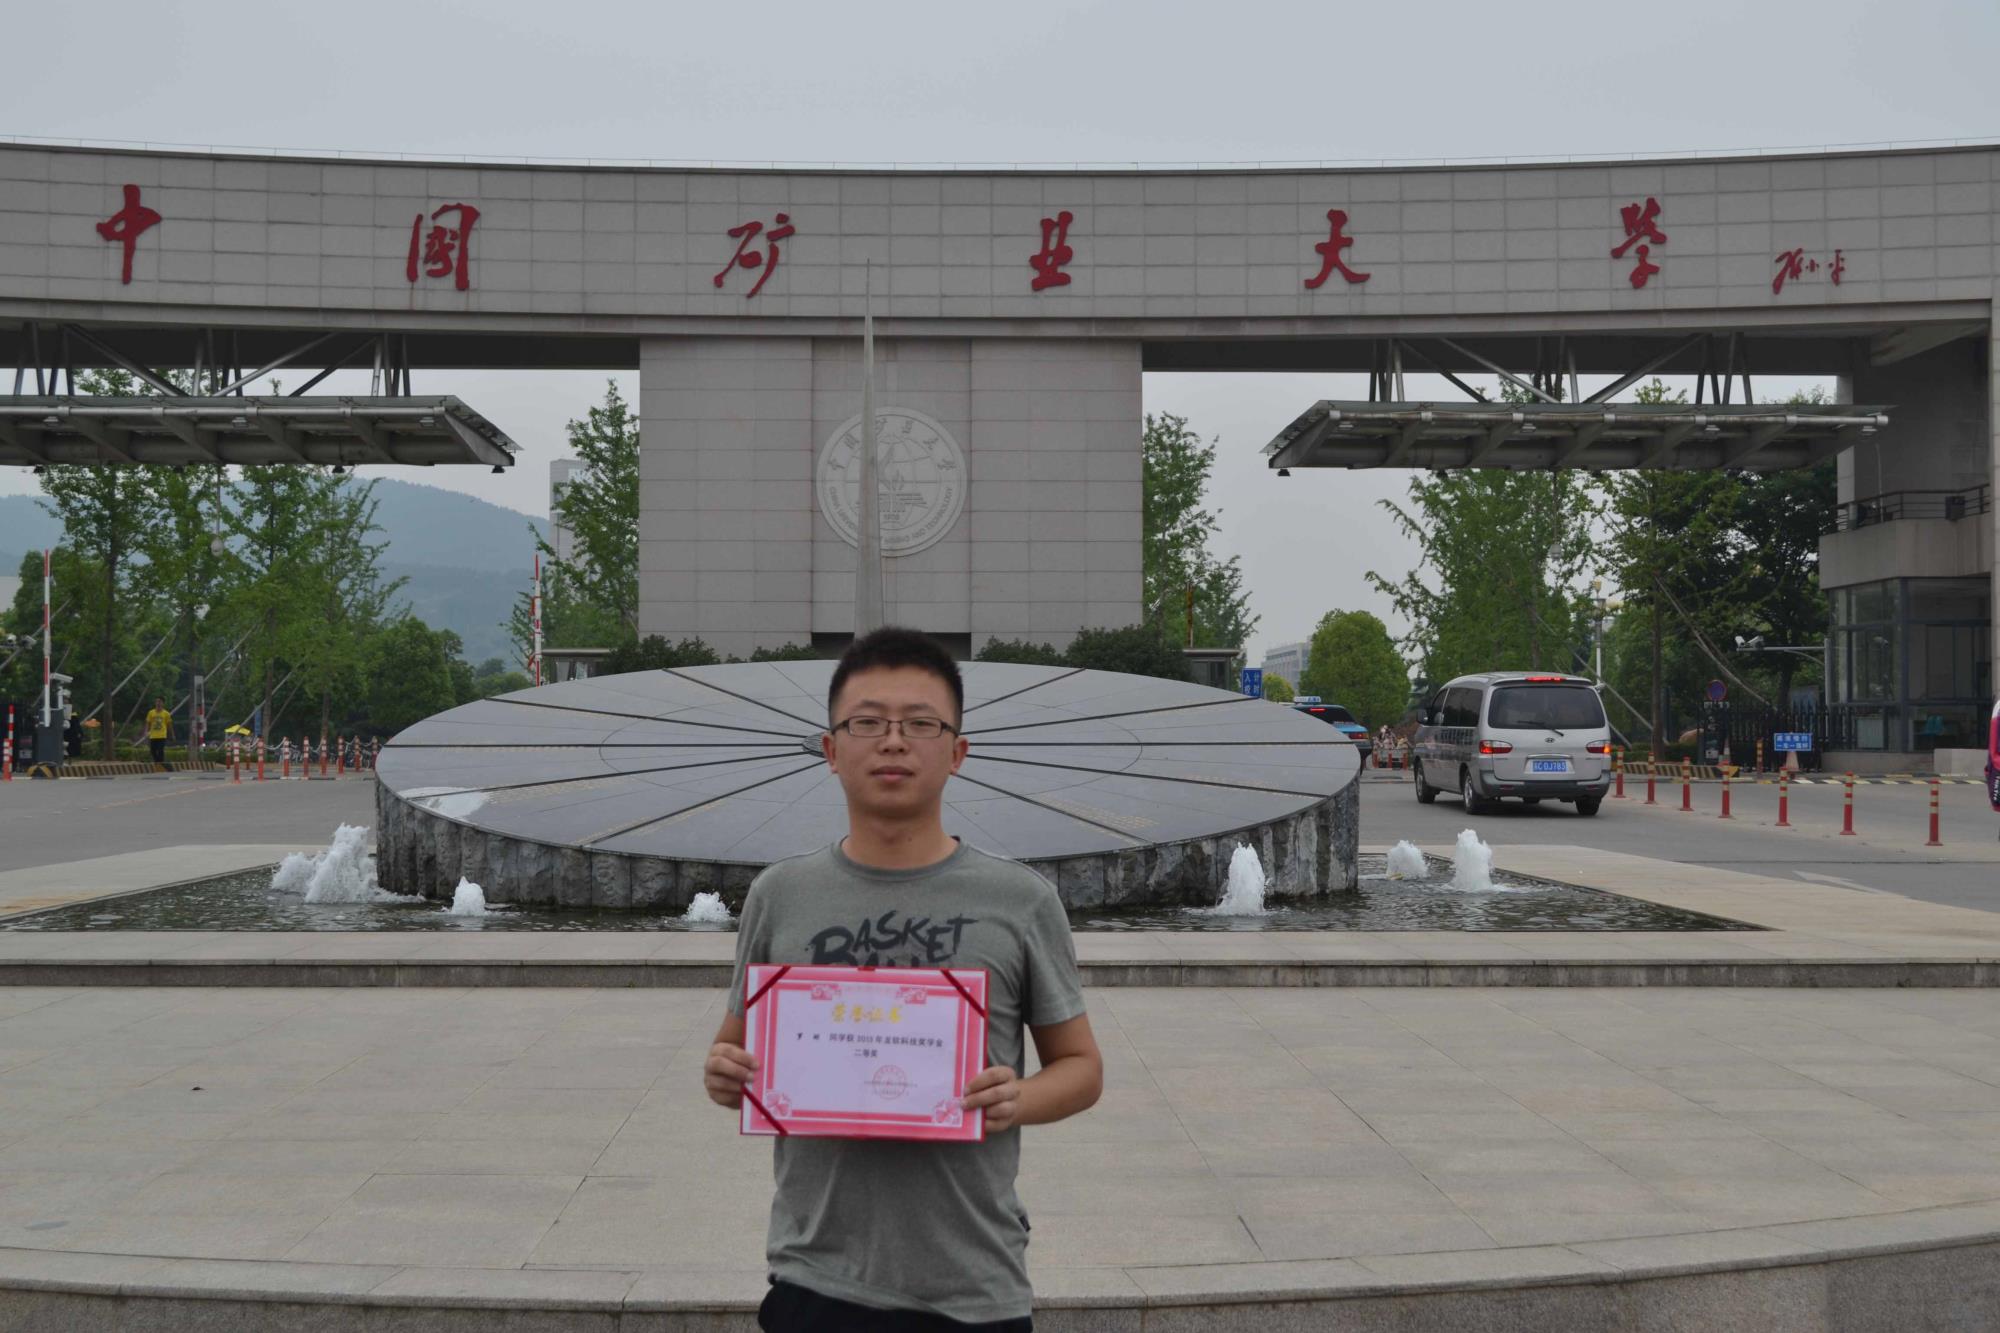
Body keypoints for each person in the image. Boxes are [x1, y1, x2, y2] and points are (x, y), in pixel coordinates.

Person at [705, 627, 1103, 1332]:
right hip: (813, 1274)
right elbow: (734, 1048)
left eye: (921, 723)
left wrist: (1017, 1097)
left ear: (957, 752)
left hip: (973, 1284)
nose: (893, 742)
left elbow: (1081, 1067)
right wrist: (725, 1073)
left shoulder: (1021, 900)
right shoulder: (780, 894)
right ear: (831, 749)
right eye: (867, 722)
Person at [145, 697, 174, 770]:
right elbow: (148, 723)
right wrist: (146, 731)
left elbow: (169, 725)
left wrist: (172, 735)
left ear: (163, 703)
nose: (158, 703)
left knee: (160, 750)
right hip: (153, 735)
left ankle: (160, 765)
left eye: (160, 701)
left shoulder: (166, 714)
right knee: (153, 751)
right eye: (157, 701)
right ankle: (162, 764)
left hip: (162, 735)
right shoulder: (151, 712)